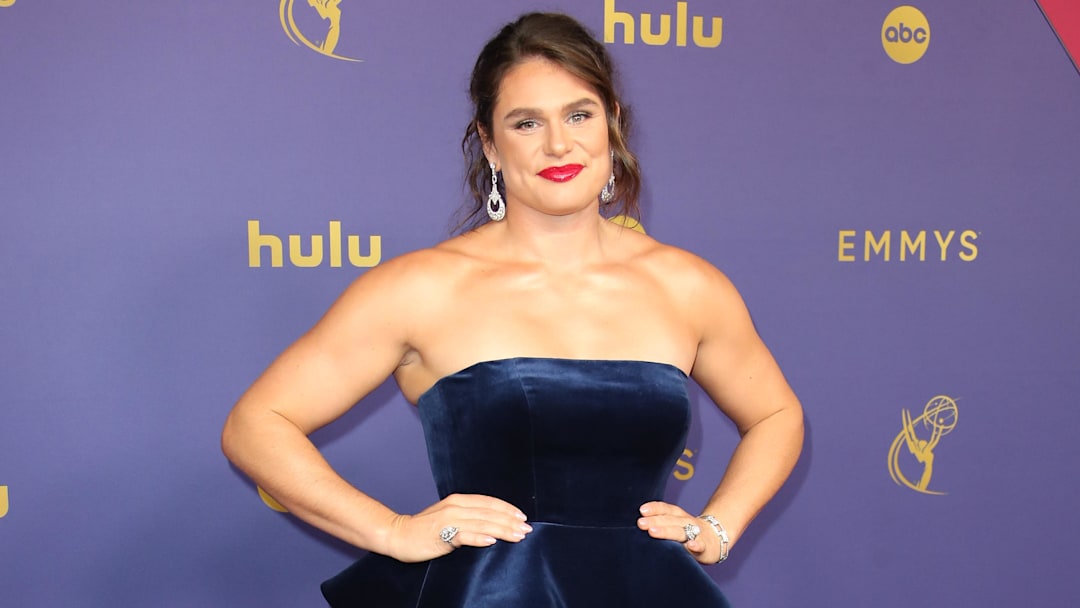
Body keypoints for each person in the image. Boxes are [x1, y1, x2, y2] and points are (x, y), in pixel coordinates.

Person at [222, 12, 803, 607]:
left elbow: (776, 414)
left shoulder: (688, 286)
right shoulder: (422, 287)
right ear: (490, 144)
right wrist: (391, 530)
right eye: (527, 123)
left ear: (613, 124)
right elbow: (257, 424)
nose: (558, 144)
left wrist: (719, 525)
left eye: (579, 114)